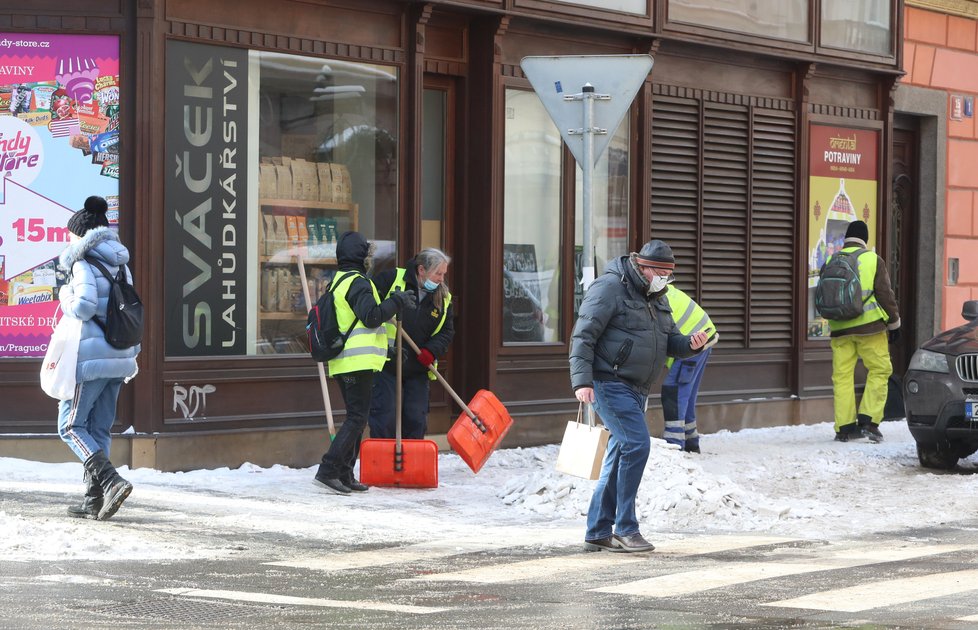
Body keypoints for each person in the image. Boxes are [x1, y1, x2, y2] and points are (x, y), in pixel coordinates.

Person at [569, 240, 710, 553]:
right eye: (660, 272)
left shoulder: (656, 295)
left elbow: (670, 339)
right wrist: (582, 381)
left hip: (637, 388)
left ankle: (597, 530)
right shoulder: (609, 288)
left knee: (620, 454)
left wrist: (691, 344)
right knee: (637, 444)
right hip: (608, 381)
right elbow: (583, 335)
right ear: (643, 267)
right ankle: (626, 527)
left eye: (668, 274)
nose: (664, 278)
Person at [312, 231, 415, 495]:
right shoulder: (358, 283)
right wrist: (396, 300)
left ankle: (345, 473)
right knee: (357, 418)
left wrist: (388, 350)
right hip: (355, 362)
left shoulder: (338, 282)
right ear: (361, 256)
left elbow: (358, 323)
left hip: (347, 361)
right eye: (367, 254)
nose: (370, 259)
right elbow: (371, 317)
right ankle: (328, 469)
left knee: (357, 418)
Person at [56, 195, 139, 521]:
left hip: (90, 359)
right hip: (119, 355)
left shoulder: (82, 263)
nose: (68, 240)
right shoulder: (120, 263)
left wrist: (65, 295)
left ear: (81, 235)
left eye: (70, 235)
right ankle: (94, 500)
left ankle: (110, 480)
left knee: (70, 426)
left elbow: (84, 307)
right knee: (99, 428)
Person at [368, 248, 455, 440]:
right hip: (386, 363)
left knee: (415, 419)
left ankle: (412, 466)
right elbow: (368, 308)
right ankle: (383, 465)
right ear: (421, 270)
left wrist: (431, 351)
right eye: (438, 273)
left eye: (444, 274)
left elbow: (446, 331)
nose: (442, 279)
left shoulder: (443, 298)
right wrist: (388, 306)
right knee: (385, 418)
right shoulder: (392, 280)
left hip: (418, 367)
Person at [826, 220, 901, 443]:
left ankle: (844, 427)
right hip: (870, 328)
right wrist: (895, 322)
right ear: (864, 239)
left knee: (842, 377)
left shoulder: (832, 259)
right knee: (880, 369)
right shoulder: (872, 259)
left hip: (839, 329)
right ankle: (869, 421)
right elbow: (885, 295)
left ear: (846, 239)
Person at [661, 283, 718, 453]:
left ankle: (674, 445)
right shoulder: (661, 290)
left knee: (674, 391)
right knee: (686, 394)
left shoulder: (652, 297)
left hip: (693, 343)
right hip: (702, 338)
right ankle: (690, 441)